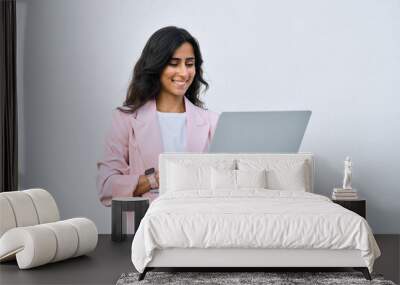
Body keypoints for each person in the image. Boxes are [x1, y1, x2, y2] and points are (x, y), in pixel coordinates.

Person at [97, 26, 219, 207]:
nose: (184, 73)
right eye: (173, 63)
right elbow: (107, 187)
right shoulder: (126, 120)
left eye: (189, 63)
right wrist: (155, 179)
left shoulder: (212, 122)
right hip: (146, 227)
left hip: (199, 224)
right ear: (157, 65)